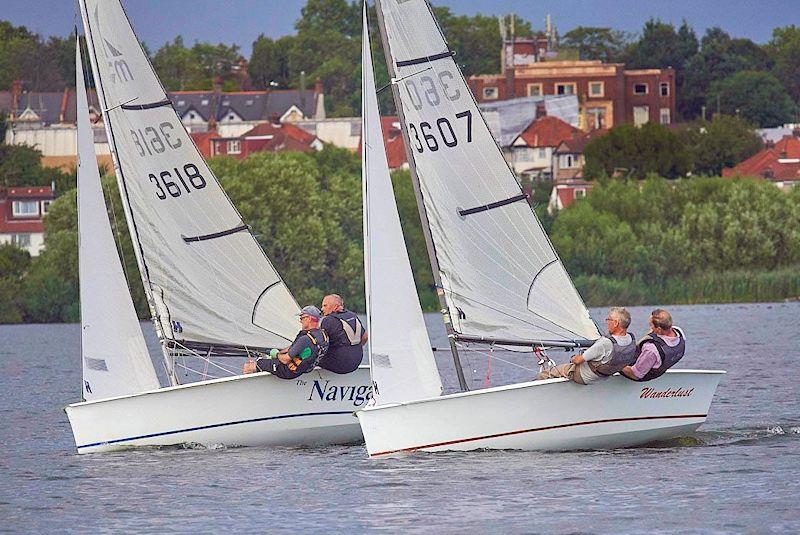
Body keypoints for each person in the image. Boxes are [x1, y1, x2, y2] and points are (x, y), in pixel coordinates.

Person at [536, 307, 636, 385]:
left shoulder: (605, 343)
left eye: (608, 319)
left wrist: (574, 358)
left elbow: (578, 361)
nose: (606, 322)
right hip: (604, 376)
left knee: (546, 373)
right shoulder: (631, 339)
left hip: (584, 376)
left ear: (615, 323)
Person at [242, 305, 329, 380]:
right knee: (269, 361)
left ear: (309, 318)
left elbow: (285, 360)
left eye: (302, 318)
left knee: (252, 365)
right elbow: (294, 348)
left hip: (287, 371)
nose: (300, 321)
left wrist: (276, 355)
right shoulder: (323, 335)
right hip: (303, 370)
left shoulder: (305, 339)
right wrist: (279, 352)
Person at [622, 309, 685, 382]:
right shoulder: (679, 331)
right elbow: (653, 334)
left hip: (643, 374)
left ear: (658, 329)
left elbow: (636, 374)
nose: (650, 328)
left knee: (613, 361)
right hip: (661, 365)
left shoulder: (651, 348)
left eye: (651, 325)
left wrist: (617, 365)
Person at [318, 294, 367, 374]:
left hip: (339, 365)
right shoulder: (353, 316)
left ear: (335, 306)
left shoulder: (328, 320)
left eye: (325, 306)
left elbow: (319, 344)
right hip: (356, 362)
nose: (322, 309)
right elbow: (365, 336)